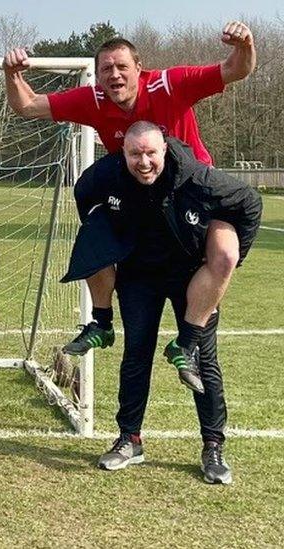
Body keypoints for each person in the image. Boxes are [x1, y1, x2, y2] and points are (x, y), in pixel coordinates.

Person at [2, 22, 256, 365]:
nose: (115, 75)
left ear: (140, 69)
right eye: (106, 69)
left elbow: (235, 70)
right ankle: (102, 323)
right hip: (139, 197)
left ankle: (189, 342)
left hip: (193, 193)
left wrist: (244, 45)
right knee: (95, 236)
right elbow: (28, 105)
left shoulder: (171, 84)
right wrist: (12, 74)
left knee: (225, 255)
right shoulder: (93, 100)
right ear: (98, 75)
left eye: (122, 66)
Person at [71, 122, 260, 484]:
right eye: (135, 154)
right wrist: (106, 232)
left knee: (202, 358)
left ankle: (213, 445)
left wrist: (230, 261)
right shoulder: (108, 174)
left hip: (191, 275)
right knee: (136, 354)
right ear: (123, 153)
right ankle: (129, 439)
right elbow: (83, 193)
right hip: (139, 275)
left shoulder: (198, 179)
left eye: (150, 153)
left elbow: (251, 203)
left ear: (164, 150)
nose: (144, 162)